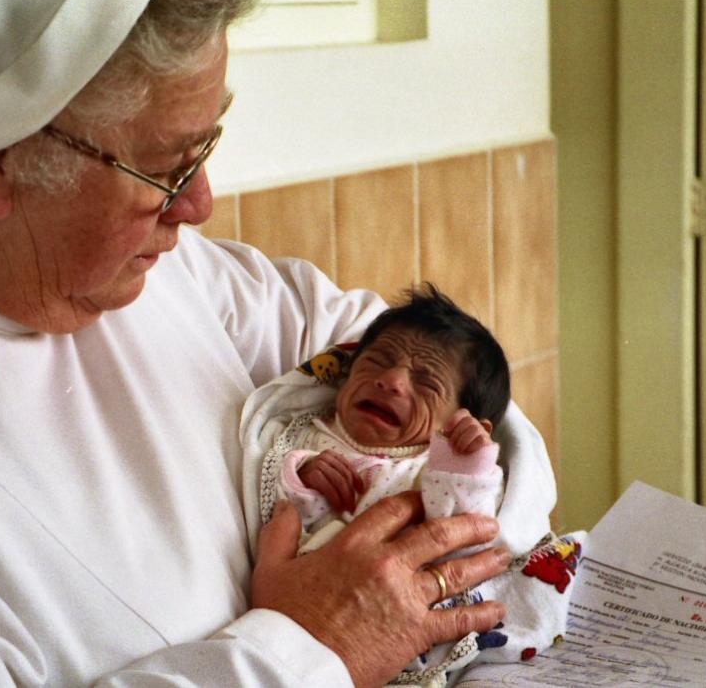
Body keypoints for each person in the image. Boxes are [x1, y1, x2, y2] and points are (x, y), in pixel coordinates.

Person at [0, 0, 542, 685]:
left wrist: (447, 515)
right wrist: (312, 647)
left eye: (205, 148)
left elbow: (456, 381)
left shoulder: (148, 270)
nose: (200, 203)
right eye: (170, 167)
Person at [243, 285, 584, 685]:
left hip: (413, 621)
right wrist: (303, 475)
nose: (391, 381)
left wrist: (467, 465)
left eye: (427, 383)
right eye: (376, 362)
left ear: (461, 423)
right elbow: (272, 503)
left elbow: (467, 535)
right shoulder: (310, 431)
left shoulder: (438, 466)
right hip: (315, 618)